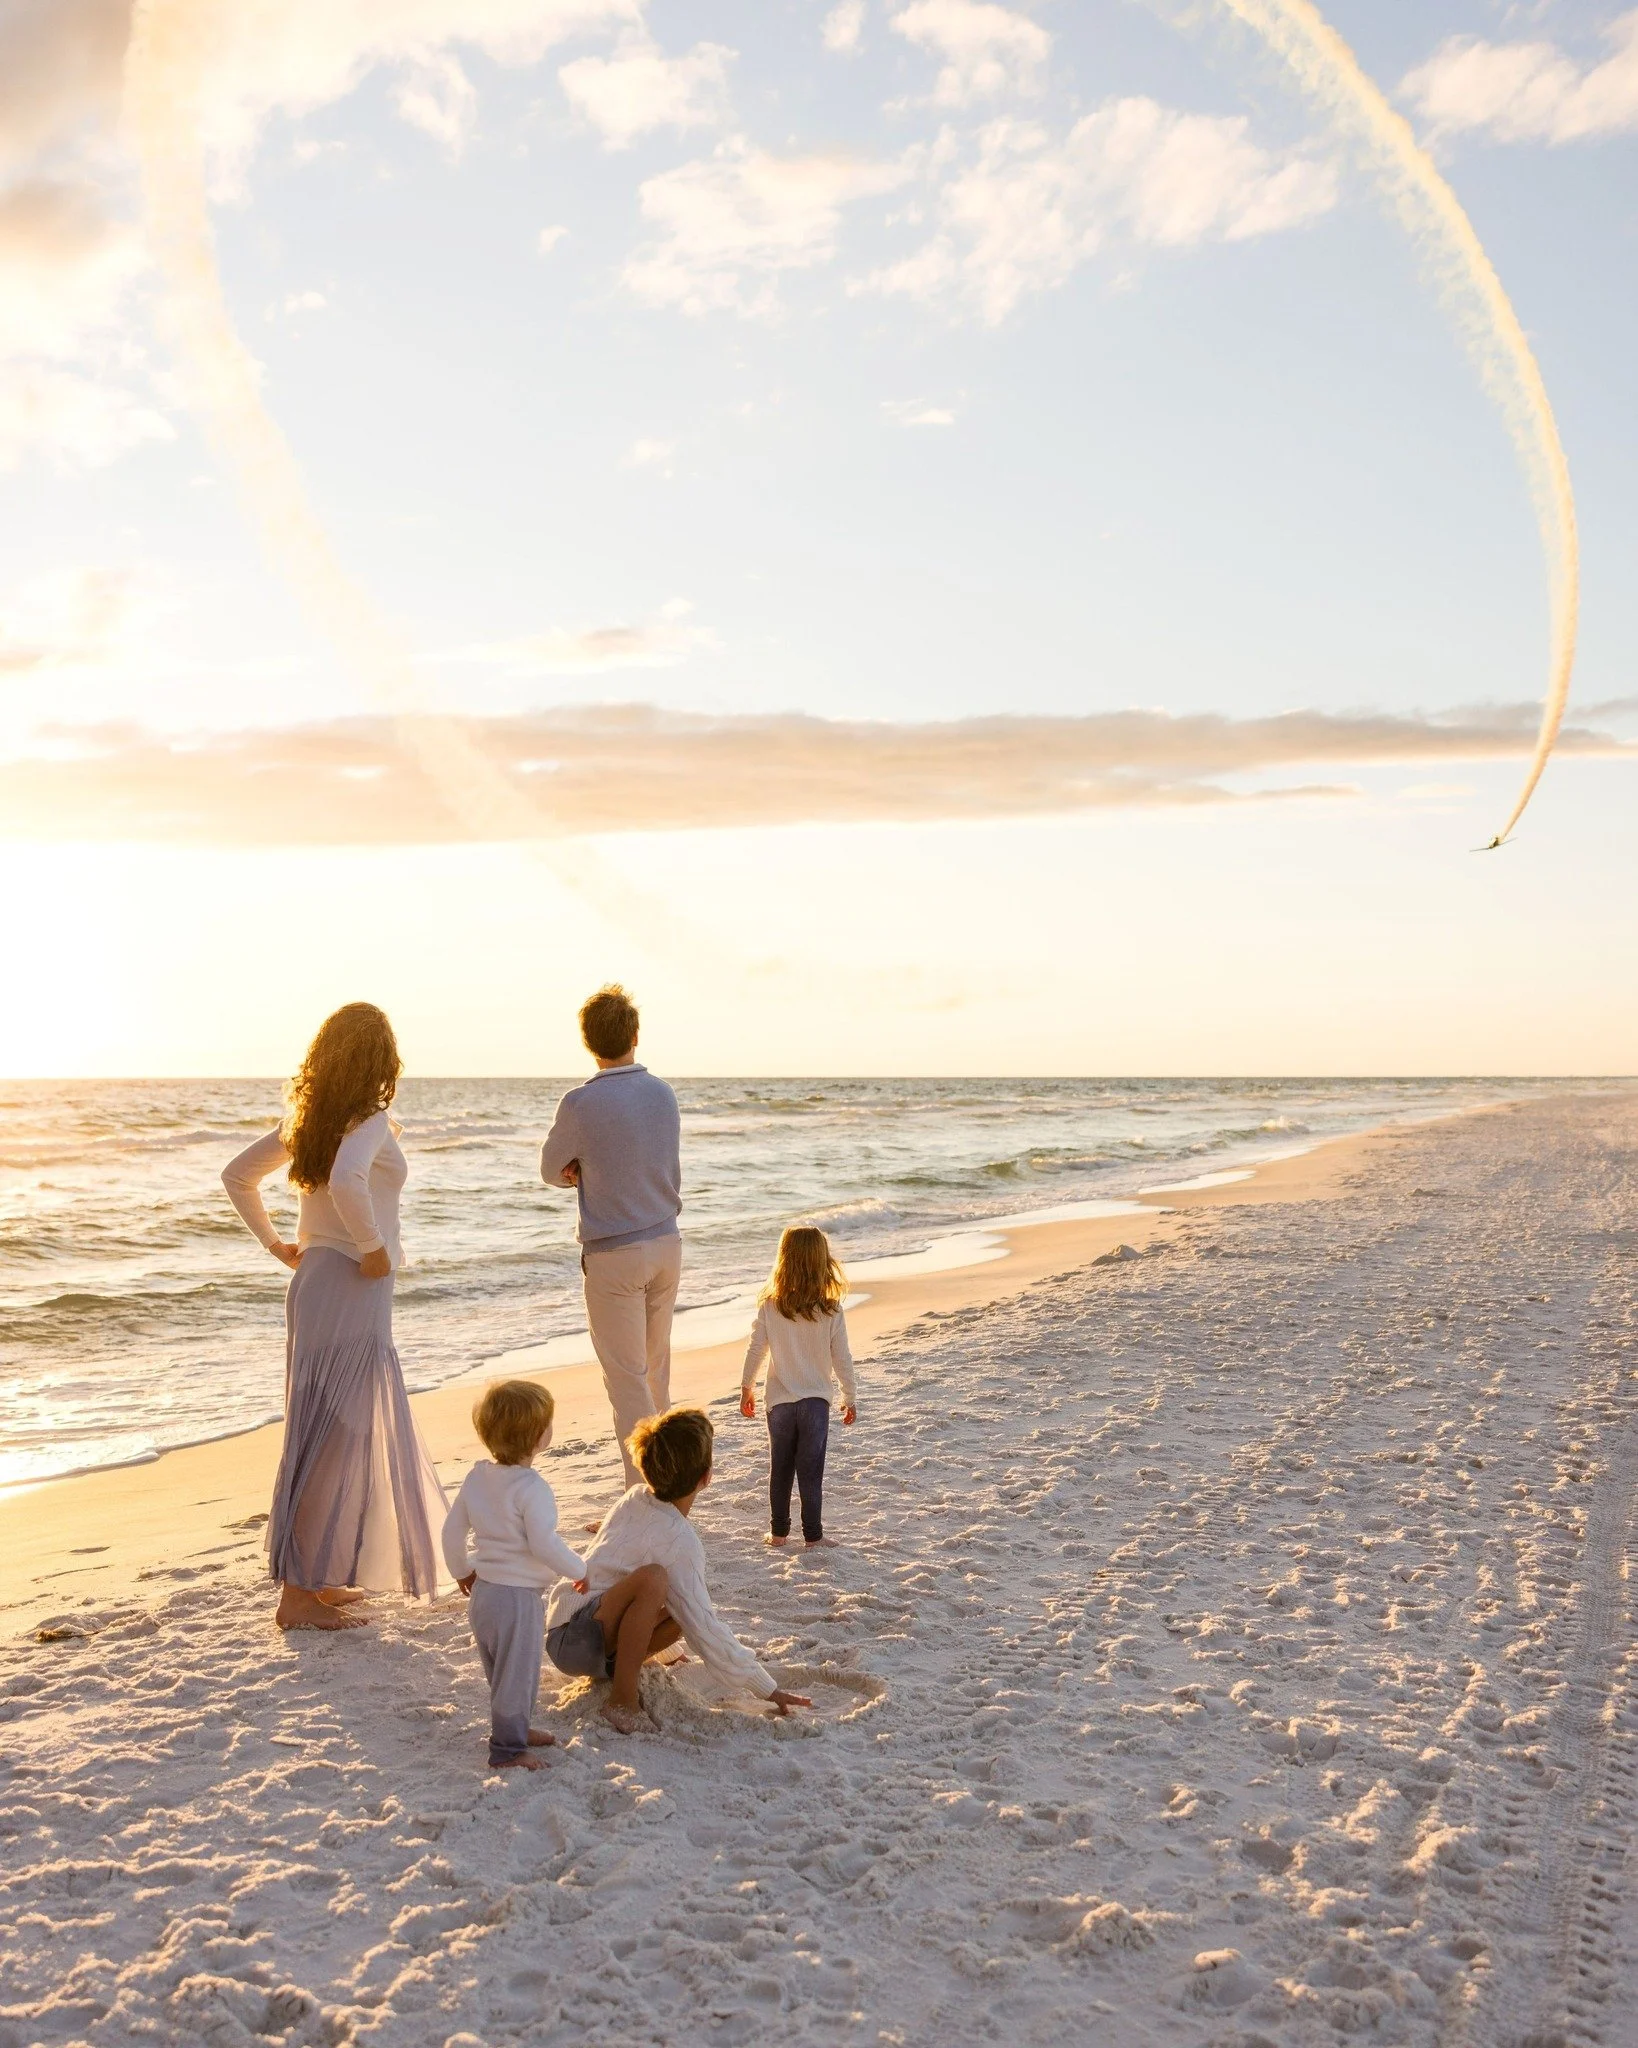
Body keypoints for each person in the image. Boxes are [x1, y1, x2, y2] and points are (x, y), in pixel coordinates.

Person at [221, 1002, 447, 1631]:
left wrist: (279, 1245)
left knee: (323, 1431)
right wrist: (371, 1249)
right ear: (381, 1061)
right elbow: (349, 1180)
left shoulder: (310, 1121)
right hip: (349, 1283)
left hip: (318, 1283)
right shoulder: (368, 1120)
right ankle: (296, 1595)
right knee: (333, 1433)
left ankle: (313, 1579)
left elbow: (237, 1176)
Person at [544, 1407, 812, 1733]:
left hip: (579, 1637)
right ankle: (622, 1701)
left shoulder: (633, 1497)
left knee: (684, 1607)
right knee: (656, 1579)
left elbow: (687, 1615)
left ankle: (637, 1662)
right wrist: (768, 1688)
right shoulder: (681, 1541)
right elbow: (708, 1630)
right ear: (706, 1477)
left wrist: (666, 1648)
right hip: (576, 1633)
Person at [540, 985, 682, 1486]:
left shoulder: (581, 1102)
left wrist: (576, 1170)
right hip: (666, 1242)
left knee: (627, 1381)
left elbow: (549, 1170)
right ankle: (669, 1482)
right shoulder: (663, 1093)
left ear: (587, 1042)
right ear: (635, 1036)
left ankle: (643, 1494)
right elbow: (645, 1154)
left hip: (614, 1253)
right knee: (655, 1372)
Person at [442, 1379, 586, 1771]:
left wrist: (461, 1570)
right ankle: (507, 1750)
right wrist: (579, 1570)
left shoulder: (476, 1477)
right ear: (539, 1436)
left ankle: (515, 1730)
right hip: (518, 1599)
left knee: (501, 1671)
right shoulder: (532, 1488)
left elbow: (452, 1531)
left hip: (484, 1593)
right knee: (517, 1674)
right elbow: (544, 1543)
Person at [740, 1226, 857, 1550]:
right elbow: (841, 1357)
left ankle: (778, 1534)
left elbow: (756, 1349)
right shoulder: (831, 1309)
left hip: (780, 1400)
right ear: (822, 1261)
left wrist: (746, 1386)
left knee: (780, 1468)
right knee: (810, 1471)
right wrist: (850, 1395)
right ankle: (813, 1536)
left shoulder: (771, 1305)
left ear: (784, 1259)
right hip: (816, 1402)